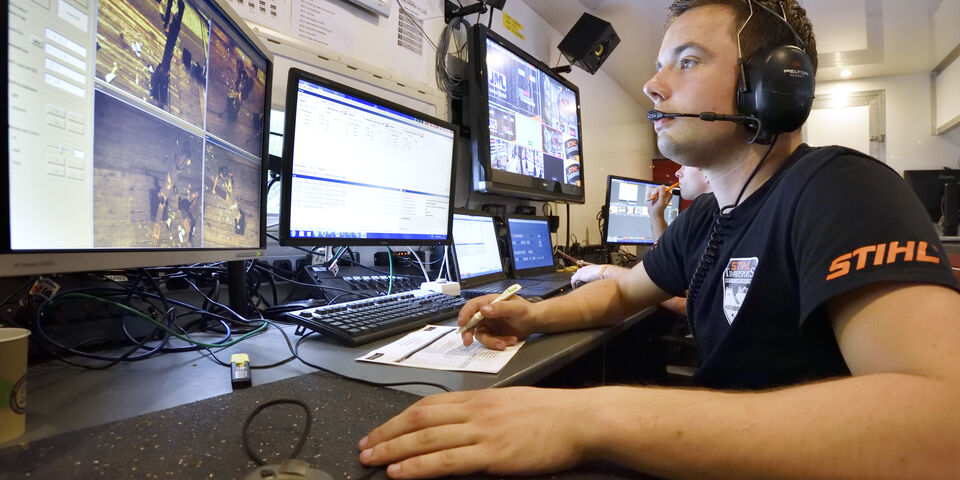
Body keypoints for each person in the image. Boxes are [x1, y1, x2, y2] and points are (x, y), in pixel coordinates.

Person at [358, 1, 960, 478]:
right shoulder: (707, 216)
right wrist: (529, 317)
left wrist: (592, 416)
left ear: (773, 88)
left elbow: (943, 427)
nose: (651, 84)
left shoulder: (841, 188)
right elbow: (619, 296)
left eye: (688, 61)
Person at [572, 165, 711, 286]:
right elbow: (667, 266)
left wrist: (605, 271)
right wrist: (655, 214)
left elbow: (681, 297)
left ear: (708, 171)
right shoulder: (703, 215)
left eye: (685, 165)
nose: (677, 172)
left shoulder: (716, 224)